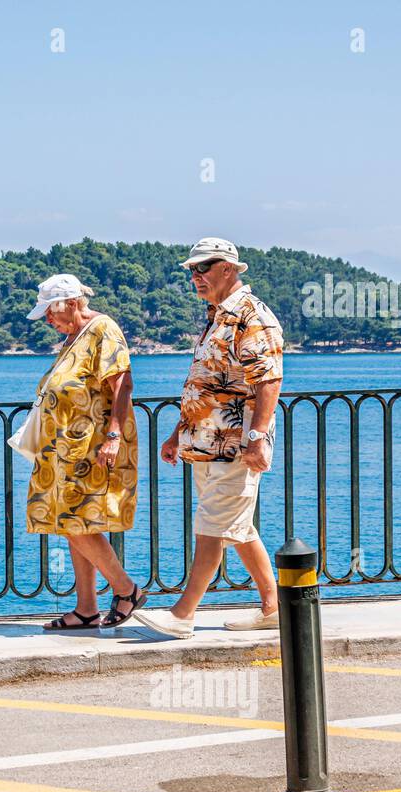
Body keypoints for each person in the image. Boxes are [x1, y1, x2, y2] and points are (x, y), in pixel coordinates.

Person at [133, 238, 284, 640]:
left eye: (203, 268)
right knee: (237, 527)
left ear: (228, 269)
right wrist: (176, 434)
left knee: (212, 527)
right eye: (192, 271)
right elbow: (204, 385)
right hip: (205, 442)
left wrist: (256, 437)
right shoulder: (217, 316)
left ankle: (182, 614)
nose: (196, 277)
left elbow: (269, 379)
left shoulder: (251, 316)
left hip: (236, 445)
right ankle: (273, 607)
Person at [24, 273, 146, 630]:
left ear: (73, 303)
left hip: (92, 446)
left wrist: (113, 437)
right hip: (67, 449)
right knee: (74, 522)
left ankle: (126, 590)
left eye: (50, 311)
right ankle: (86, 608)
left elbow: (122, 384)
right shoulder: (75, 336)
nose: (47, 319)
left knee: (75, 522)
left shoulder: (103, 329)